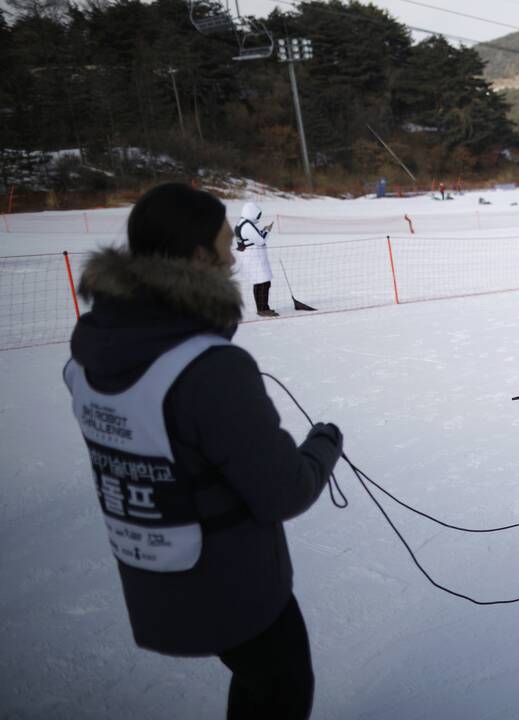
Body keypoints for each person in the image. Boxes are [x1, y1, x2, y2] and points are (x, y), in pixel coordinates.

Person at [63, 182, 344, 719]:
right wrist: (325, 444)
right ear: (198, 256)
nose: (234, 251)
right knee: (281, 685)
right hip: (233, 585)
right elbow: (283, 491)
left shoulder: (91, 355)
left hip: (152, 577)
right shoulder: (208, 367)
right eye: (224, 241)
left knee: (258, 679)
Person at [236, 201, 278, 317]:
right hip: (254, 257)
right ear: (251, 213)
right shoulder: (247, 225)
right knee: (264, 283)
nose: (258, 217)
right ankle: (263, 309)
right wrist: (267, 230)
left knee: (260, 282)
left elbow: (254, 237)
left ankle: (262, 308)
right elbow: (260, 240)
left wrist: (263, 231)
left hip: (251, 257)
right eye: (257, 214)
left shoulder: (241, 223)